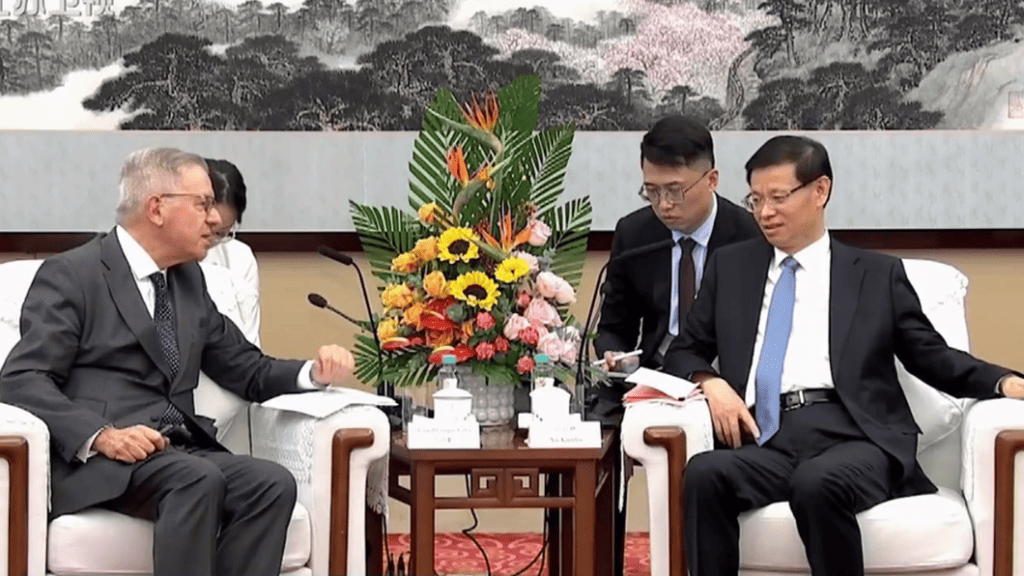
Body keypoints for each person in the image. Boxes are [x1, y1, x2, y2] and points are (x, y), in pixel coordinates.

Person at [663, 135, 1024, 576]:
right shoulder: (731, 268)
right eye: (755, 199)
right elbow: (684, 350)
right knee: (705, 474)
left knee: (816, 483)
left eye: (778, 197)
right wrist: (712, 383)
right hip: (765, 437)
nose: (764, 212)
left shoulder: (875, 275)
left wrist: (1003, 382)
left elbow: (930, 356)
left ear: (820, 191)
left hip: (855, 436)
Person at [0, 148, 356, 576]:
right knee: (197, 479)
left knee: (270, 484)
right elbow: (22, 379)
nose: (215, 219)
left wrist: (313, 373)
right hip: (103, 461)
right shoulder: (74, 274)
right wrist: (102, 436)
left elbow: (246, 368)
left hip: (177, 451)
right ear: (156, 208)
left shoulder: (188, 280)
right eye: (203, 204)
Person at [590, 115, 761, 576]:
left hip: (724, 381)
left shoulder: (749, 236)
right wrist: (612, 355)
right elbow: (615, 324)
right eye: (651, 191)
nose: (663, 205)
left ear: (712, 180)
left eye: (675, 190)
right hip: (651, 378)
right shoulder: (635, 233)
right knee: (591, 437)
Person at [202, 158, 260, 345]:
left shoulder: (240, 257)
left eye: (222, 233)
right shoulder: (163, 256)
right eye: (208, 229)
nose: (212, 240)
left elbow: (249, 342)